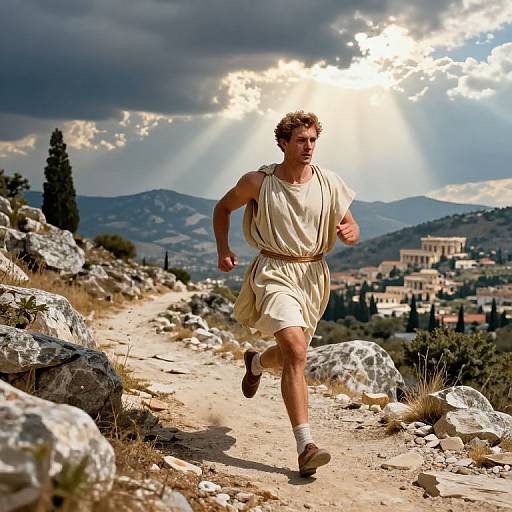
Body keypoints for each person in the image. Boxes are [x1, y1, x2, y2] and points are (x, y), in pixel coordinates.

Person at [212, 111, 360, 477]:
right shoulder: (258, 182)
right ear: (282, 143)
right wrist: (222, 250)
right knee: (295, 349)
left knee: (293, 351)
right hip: (275, 270)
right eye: (300, 140)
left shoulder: (330, 183)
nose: (308, 147)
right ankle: (305, 445)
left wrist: (351, 231)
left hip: (313, 275)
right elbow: (222, 208)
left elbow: (350, 221)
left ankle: (257, 363)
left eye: (312, 140)